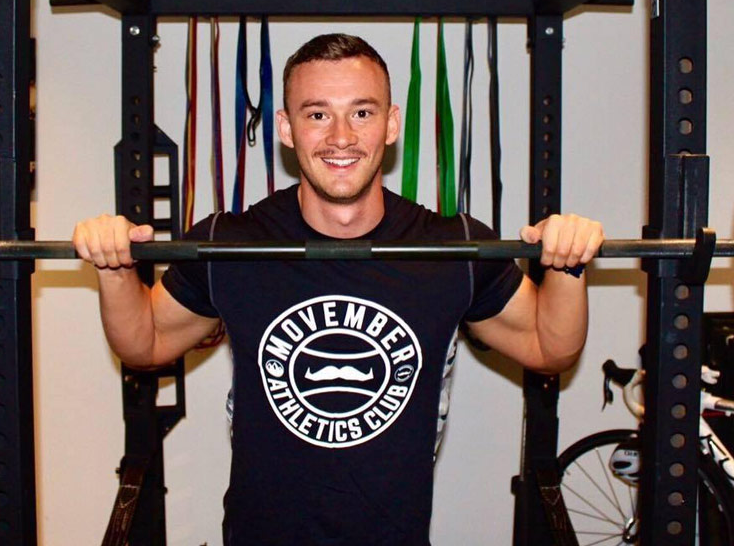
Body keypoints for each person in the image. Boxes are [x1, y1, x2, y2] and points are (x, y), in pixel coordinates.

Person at [74, 33, 604, 546]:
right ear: (286, 128)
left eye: (363, 112)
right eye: (318, 113)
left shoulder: (453, 248)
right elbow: (142, 345)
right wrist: (114, 265)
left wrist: (567, 263)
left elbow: (549, 348)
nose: (341, 137)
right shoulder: (230, 244)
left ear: (392, 124)